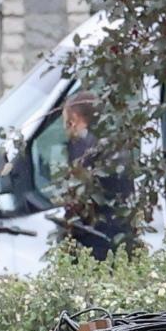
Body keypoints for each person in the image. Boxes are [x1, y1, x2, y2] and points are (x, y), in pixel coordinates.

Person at [56, 93, 139, 260]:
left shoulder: (84, 148)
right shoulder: (113, 143)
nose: (67, 127)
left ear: (75, 117)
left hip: (97, 234)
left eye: (67, 121)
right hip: (121, 227)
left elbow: (78, 197)